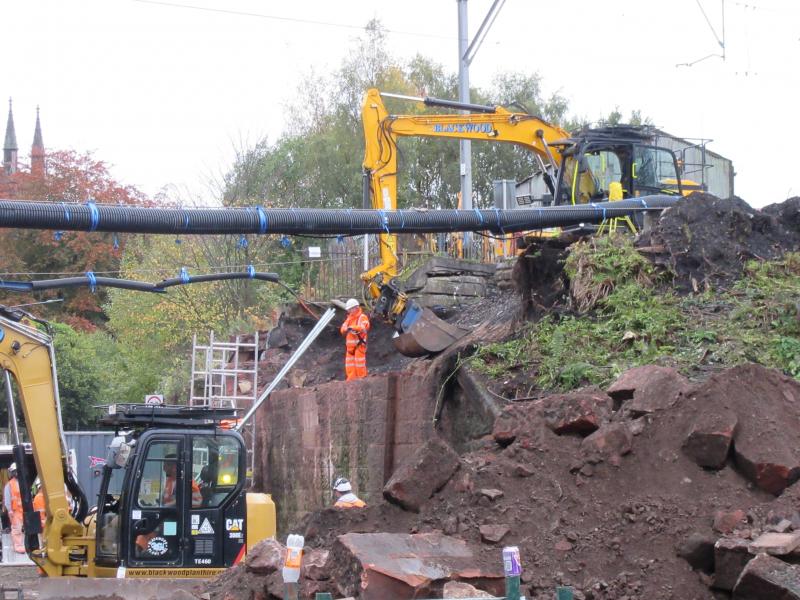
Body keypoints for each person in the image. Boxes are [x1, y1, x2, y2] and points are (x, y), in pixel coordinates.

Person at [339, 298, 370, 381]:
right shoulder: (349, 319)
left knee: (359, 364)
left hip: (359, 346)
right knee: (349, 366)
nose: (349, 311)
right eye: (348, 309)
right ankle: (351, 382)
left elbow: (364, 327)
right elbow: (342, 328)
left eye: (350, 309)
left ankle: (362, 380)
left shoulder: (362, 317)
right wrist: (346, 329)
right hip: (350, 348)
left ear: (356, 307)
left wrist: (353, 328)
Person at [3, 463, 24, 554]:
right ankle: (18, 546)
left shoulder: (22, 483)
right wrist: (10, 510)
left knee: (22, 529)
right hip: (15, 511)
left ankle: (22, 545)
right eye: (14, 471)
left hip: (22, 510)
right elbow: (7, 499)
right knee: (17, 529)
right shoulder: (9, 485)